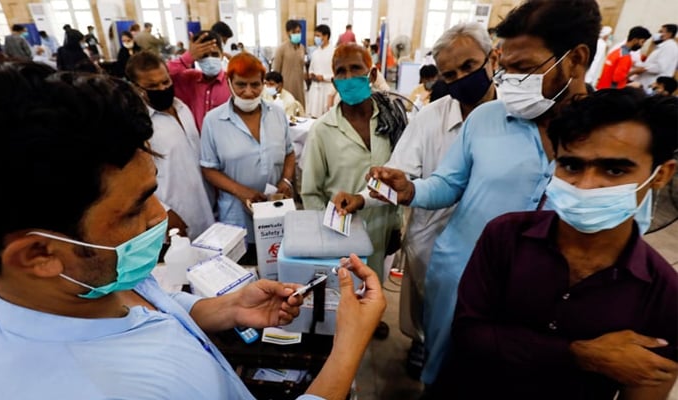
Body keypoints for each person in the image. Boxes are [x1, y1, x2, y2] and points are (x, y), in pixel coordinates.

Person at [0, 59, 386, 400]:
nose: (160, 215)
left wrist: (226, 308)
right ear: (39, 255)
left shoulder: (88, 280)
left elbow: (154, 303)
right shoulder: (106, 388)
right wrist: (348, 346)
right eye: (135, 208)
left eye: (152, 192)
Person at [366, 0, 601, 388]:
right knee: (447, 376)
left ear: (575, 60)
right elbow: (449, 184)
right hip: (460, 275)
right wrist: (410, 189)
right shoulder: (487, 118)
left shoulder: (606, 135)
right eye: (505, 67)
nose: (510, 81)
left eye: (524, 69)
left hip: (542, 296)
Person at [443, 88, 678, 399]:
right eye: (571, 166)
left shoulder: (664, 293)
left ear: (660, 174)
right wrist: (581, 355)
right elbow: (468, 334)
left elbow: (648, 384)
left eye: (614, 170)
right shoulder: (506, 236)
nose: (586, 185)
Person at [333, 21, 499, 379]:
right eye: (450, 74)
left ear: (493, 59)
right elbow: (398, 178)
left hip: (491, 250)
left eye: (470, 67)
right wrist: (361, 200)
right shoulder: (430, 119)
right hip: (434, 245)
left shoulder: (515, 119)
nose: (461, 79)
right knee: (432, 321)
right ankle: (424, 346)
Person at [302, 43, 406, 340]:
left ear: (371, 73)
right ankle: (349, 330)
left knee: (377, 278)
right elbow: (310, 190)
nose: (348, 77)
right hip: (342, 231)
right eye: (340, 72)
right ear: (333, 81)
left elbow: (401, 174)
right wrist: (323, 236)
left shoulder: (389, 120)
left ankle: (371, 319)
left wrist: (397, 224)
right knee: (345, 288)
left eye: (355, 69)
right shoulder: (323, 130)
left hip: (382, 223)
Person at [200, 53, 295, 262]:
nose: (249, 92)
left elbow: (289, 152)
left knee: (277, 266)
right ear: (229, 82)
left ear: (264, 83)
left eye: (255, 85)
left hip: (275, 212)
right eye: (241, 85)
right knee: (244, 270)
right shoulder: (214, 121)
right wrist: (242, 192)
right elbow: (208, 168)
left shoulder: (277, 114)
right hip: (237, 215)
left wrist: (286, 180)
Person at [126, 51, 216, 240]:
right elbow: (133, 181)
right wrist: (165, 214)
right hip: (175, 218)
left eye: (165, 82)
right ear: (136, 88)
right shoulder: (137, 126)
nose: (162, 88)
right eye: (152, 86)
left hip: (206, 208)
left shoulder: (182, 107)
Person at [167, 30, 231, 131]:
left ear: (222, 55)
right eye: (204, 56)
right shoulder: (189, 79)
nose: (210, 60)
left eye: (214, 54)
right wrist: (187, 58)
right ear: (196, 58)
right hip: (196, 143)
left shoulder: (231, 81)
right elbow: (163, 75)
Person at [630, 24, 678, 92]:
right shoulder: (665, 46)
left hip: (652, 82)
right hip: (646, 81)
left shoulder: (669, 47)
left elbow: (659, 67)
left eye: (661, 32)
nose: (658, 34)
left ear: (669, 34)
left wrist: (640, 66)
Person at [273, 20, 306, 108]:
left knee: (299, 108)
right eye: (294, 32)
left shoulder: (302, 48)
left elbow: (302, 66)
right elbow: (276, 71)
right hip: (286, 86)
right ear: (288, 33)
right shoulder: (281, 49)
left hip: (299, 86)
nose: (297, 34)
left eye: (298, 32)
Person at [307, 24, 335, 118]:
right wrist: (311, 74)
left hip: (328, 88)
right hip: (315, 88)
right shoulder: (315, 52)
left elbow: (338, 74)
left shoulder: (334, 52)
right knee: (313, 116)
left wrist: (324, 77)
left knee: (326, 117)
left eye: (318, 36)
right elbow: (311, 68)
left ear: (326, 36)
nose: (316, 38)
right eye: (315, 36)